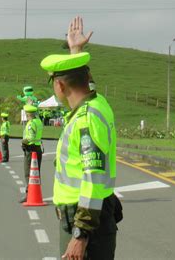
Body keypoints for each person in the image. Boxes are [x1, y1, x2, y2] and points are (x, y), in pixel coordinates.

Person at [40, 16, 120, 260]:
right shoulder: (97, 102)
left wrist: (79, 236)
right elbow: (85, 81)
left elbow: (93, 179)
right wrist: (76, 51)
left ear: (60, 87)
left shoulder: (86, 120)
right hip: (88, 221)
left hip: (86, 226)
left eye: (53, 81)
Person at [19, 104, 43, 203]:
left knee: (28, 172)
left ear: (28, 114)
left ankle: (29, 194)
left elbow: (31, 137)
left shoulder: (31, 123)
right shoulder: (39, 121)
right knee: (36, 173)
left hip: (30, 148)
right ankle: (36, 193)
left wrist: (23, 141)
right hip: (38, 148)